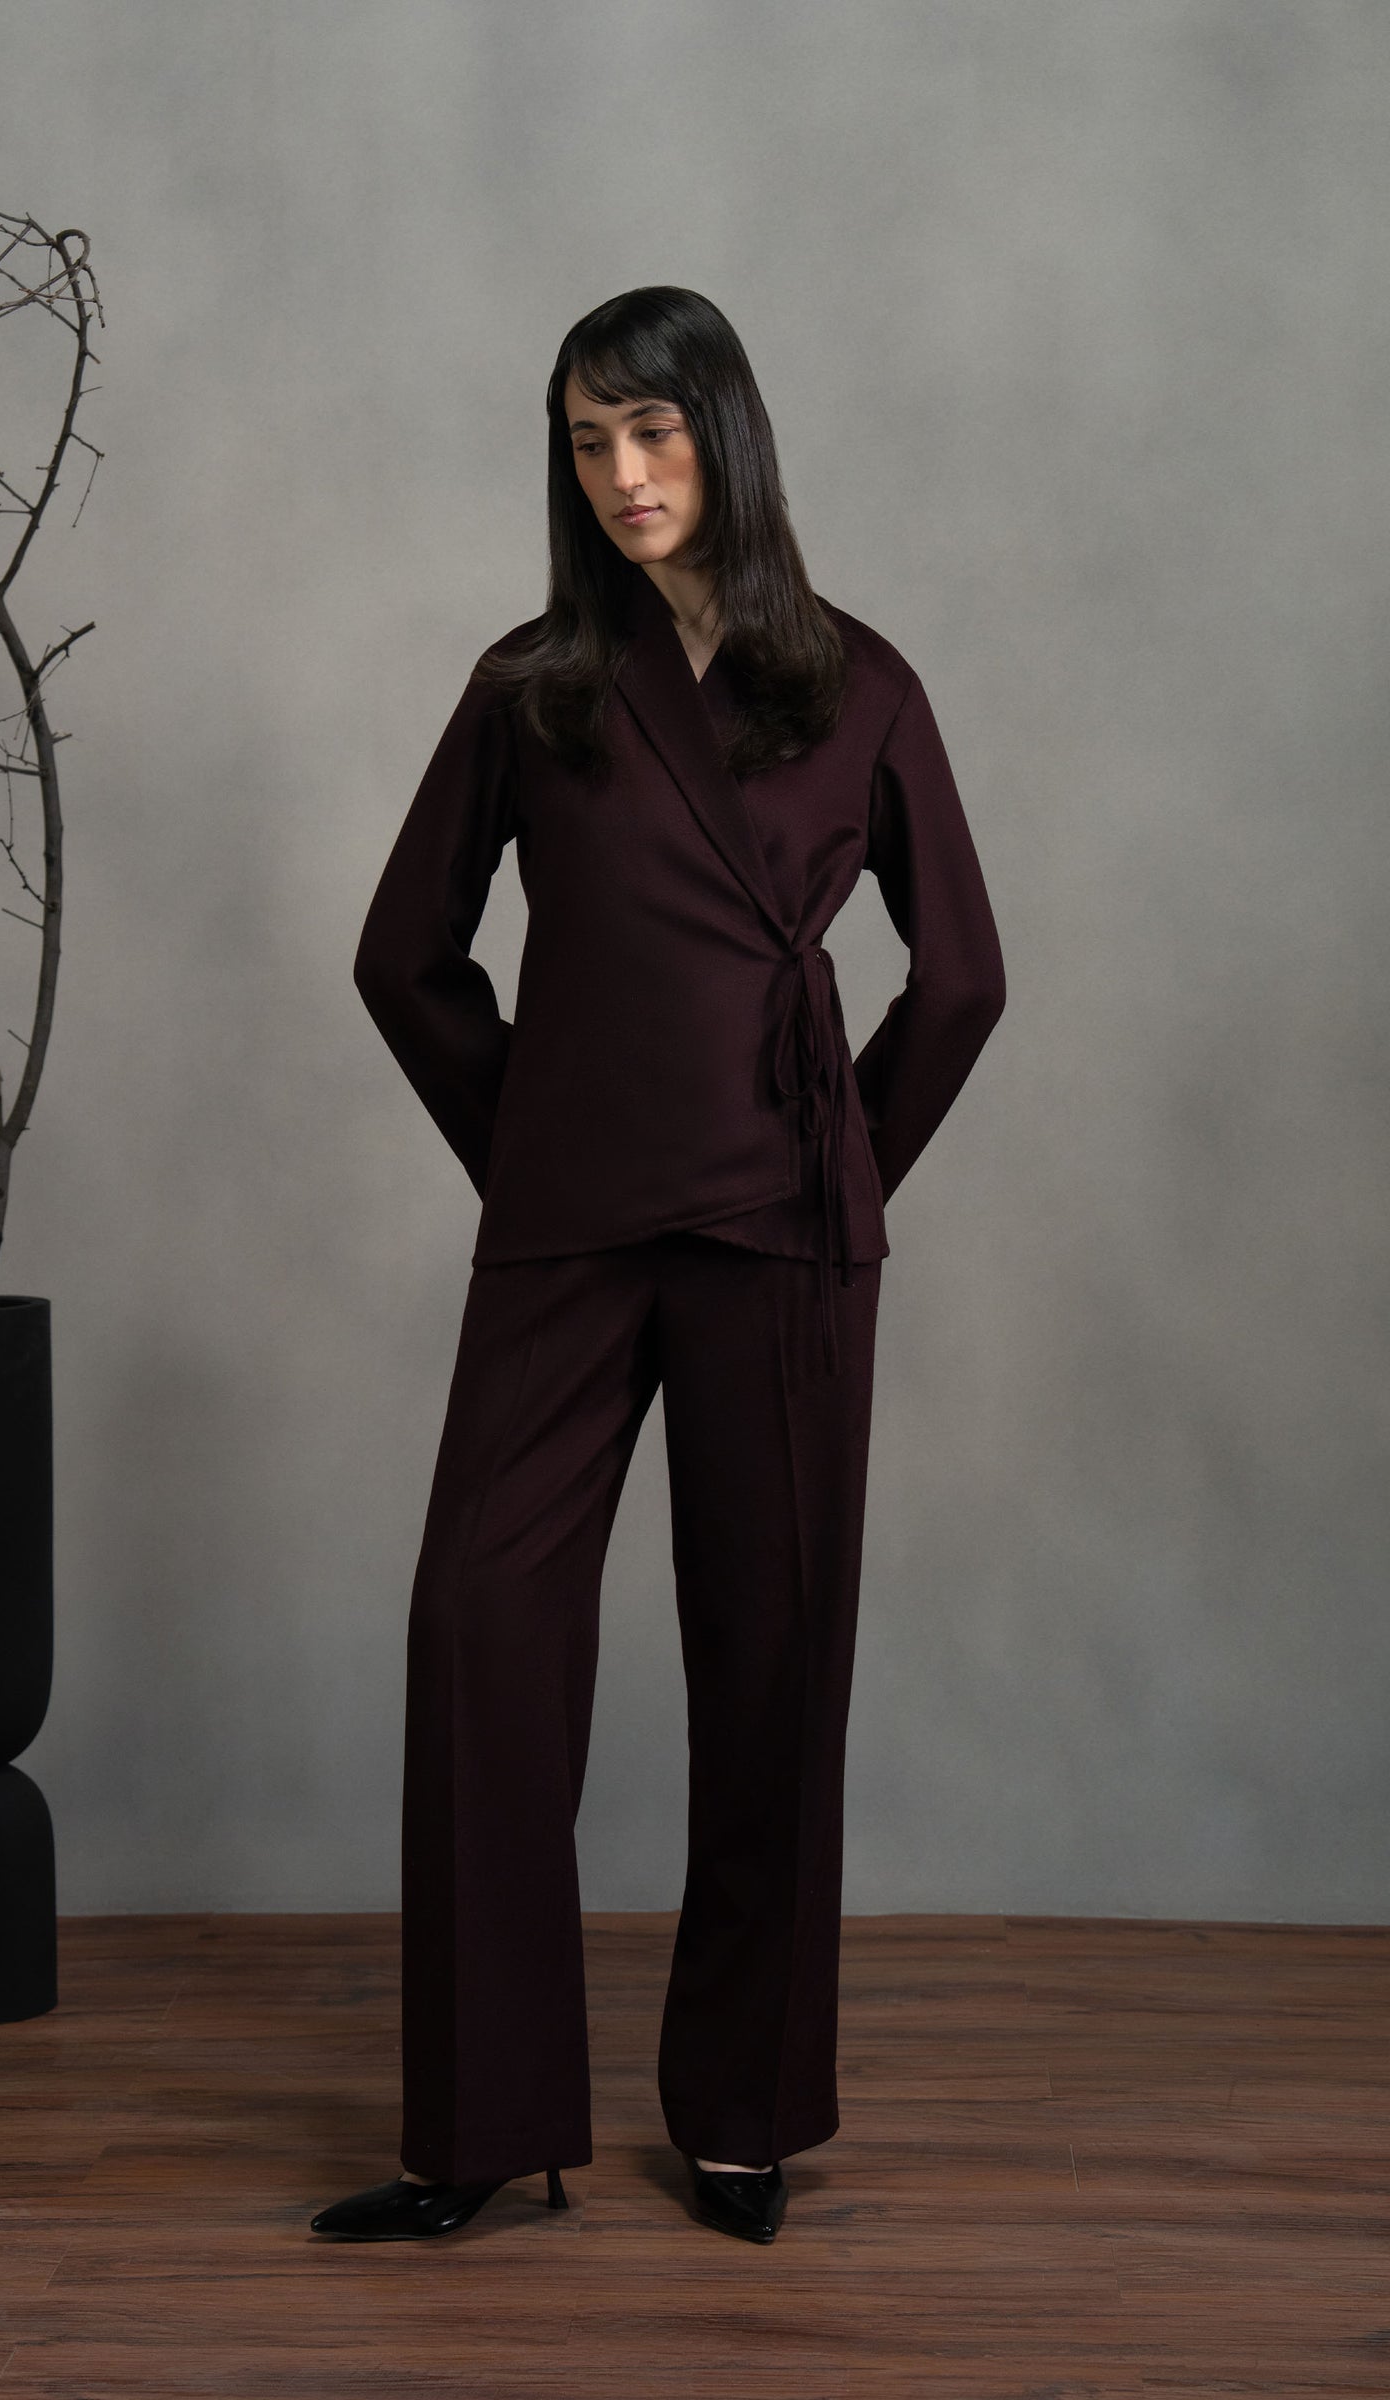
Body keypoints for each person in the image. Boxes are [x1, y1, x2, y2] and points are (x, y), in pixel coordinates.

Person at [311, 285, 1005, 2247]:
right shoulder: (533, 682)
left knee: (772, 1666)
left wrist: (838, 1161)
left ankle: (743, 2118)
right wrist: (529, 1140)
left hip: (780, 1235)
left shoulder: (856, 683)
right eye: (585, 441)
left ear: (727, 433)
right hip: (569, 1228)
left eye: (653, 431)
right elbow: (401, 956)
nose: (621, 474)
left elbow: (960, 979)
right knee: (480, 1629)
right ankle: (479, 2128)